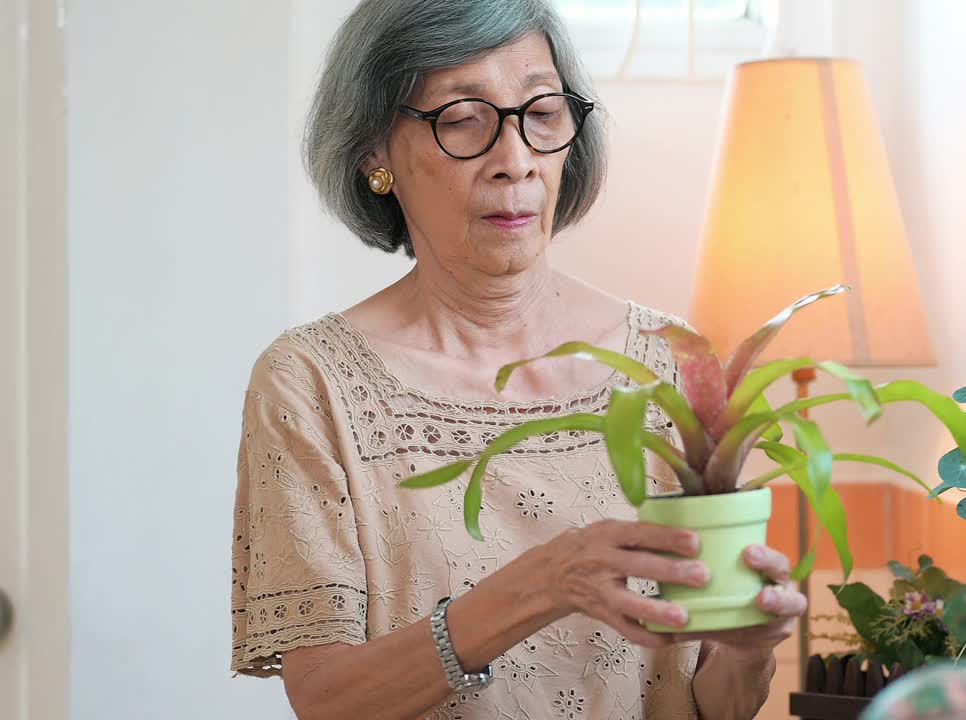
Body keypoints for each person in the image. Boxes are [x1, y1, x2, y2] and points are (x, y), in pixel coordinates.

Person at [230, 1, 805, 717]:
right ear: (374, 152)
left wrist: (750, 648)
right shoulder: (311, 382)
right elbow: (327, 702)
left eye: (542, 112)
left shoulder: (671, 363)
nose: (515, 160)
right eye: (462, 118)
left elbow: (716, 705)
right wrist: (540, 585)